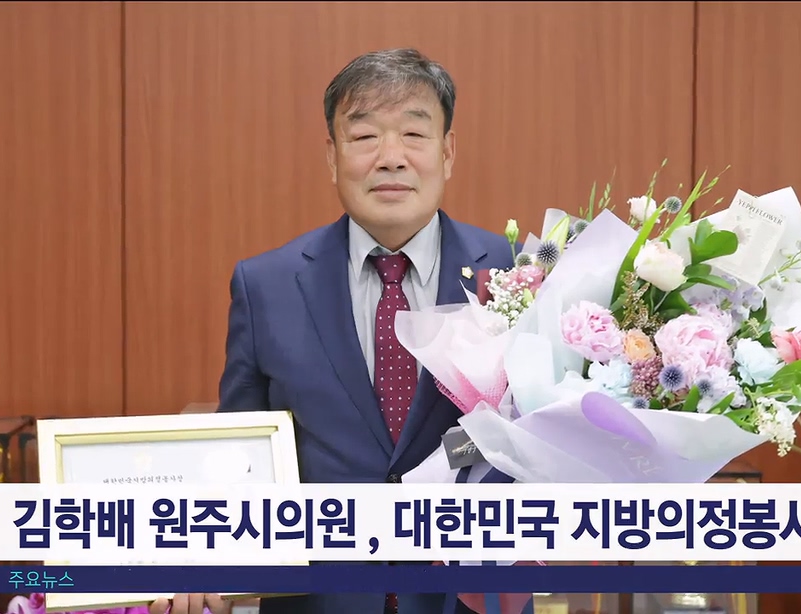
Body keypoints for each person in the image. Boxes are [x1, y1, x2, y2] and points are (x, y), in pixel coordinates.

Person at [150, 48, 523, 614]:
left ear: (447, 152)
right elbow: (238, 452)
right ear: (332, 155)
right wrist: (201, 556)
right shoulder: (266, 285)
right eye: (365, 136)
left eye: (414, 135)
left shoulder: (517, 273)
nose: (391, 159)